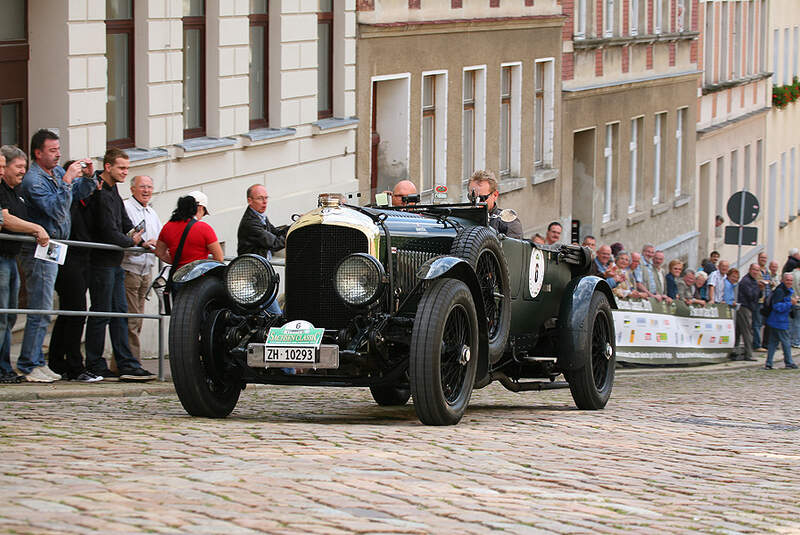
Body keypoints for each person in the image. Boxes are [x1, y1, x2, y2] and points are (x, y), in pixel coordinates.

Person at [17, 129, 97, 382]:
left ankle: (38, 361)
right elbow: (56, 210)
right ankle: (29, 363)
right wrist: (66, 183)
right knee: (40, 307)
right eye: (52, 151)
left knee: (47, 308)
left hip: (56, 247)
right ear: (38, 153)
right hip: (40, 248)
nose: (57, 155)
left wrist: (88, 177)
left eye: (58, 150)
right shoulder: (34, 180)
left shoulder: (57, 174)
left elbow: (78, 195)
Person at [84, 149, 155, 382]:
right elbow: (107, 230)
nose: (125, 172)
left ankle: (126, 363)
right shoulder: (100, 191)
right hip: (102, 261)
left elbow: (124, 222)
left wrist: (140, 240)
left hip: (115, 262)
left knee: (120, 314)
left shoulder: (113, 190)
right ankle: (94, 363)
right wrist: (130, 240)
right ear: (108, 167)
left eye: (127, 168)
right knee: (102, 313)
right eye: (121, 168)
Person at [48, 159, 102, 382]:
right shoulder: (67, 199)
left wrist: (92, 183)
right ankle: (73, 365)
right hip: (67, 256)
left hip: (82, 257)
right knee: (76, 311)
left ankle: (58, 362)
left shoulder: (84, 201)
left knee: (70, 312)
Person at [0, 147, 50, 383]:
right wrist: (35, 228)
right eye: (17, 167)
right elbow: (6, 219)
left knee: (9, 316)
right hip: (2, 258)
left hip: (12, 258)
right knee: (2, 315)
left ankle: (5, 367)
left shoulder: (16, 190)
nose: (22, 171)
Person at [122, 175, 162, 362]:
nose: (146, 191)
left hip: (146, 270)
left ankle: (126, 361)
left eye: (149, 187)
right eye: (142, 187)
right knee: (131, 319)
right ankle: (132, 362)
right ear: (132, 189)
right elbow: (129, 235)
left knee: (139, 319)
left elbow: (160, 237)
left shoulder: (151, 212)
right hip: (131, 268)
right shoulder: (127, 208)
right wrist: (145, 243)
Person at [237, 184, 285, 314]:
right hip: (254, 276)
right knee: (276, 315)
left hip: (260, 273)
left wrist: (295, 225)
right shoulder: (250, 223)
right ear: (249, 200)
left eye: (266, 198)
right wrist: (293, 234)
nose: (264, 202)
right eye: (260, 198)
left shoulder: (259, 216)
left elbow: (275, 232)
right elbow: (274, 243)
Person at [156, 192, 224, 269]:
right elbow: (219, 258)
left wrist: (178, 263)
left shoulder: (167, 227)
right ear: (200, 208)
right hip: (199, 277)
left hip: (177, 277)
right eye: (204, 213)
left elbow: (159, 252)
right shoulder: (204, 228)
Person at [467, 170, 523, 239]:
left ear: (495, 195)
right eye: (472, 198)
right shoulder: (462, 220)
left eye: (482, 198)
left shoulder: (508, 224)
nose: (477, 203)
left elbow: (514, 247)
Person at [764, 272, 799, 369]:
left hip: (777, 321)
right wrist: (790, 303)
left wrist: (793, 303)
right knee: (786, 342)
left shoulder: (787, 290)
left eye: (791, 280)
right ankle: (789, 362)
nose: (789, 282)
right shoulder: (780, 291)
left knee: (773, 343)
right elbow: (777, 306)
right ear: (783, 280)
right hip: (779, 321)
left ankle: (769, 363)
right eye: (787, 280)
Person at [736, 263, 763, 362]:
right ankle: (749, 354)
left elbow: (758, 296)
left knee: (738, 331)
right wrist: (758, 288)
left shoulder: (754, 281)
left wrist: (760, 289)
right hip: (744, 308)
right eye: (754, 270)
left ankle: (735, 351)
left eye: (757, 270)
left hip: (750, 308)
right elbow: (751, 295)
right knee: (747, 332)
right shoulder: (745, 281)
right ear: (750, 270)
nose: (756, 272)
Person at [752, 252, 769, 350]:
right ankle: (757, 345)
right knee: (757, 323)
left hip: (766, 301)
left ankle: (764, 343)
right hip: (758, 300)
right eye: (761, 257)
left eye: (765, 258)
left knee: (764, 323)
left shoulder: (767, 271)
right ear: (758, 258)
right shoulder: (757, 271)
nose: (763, 259)